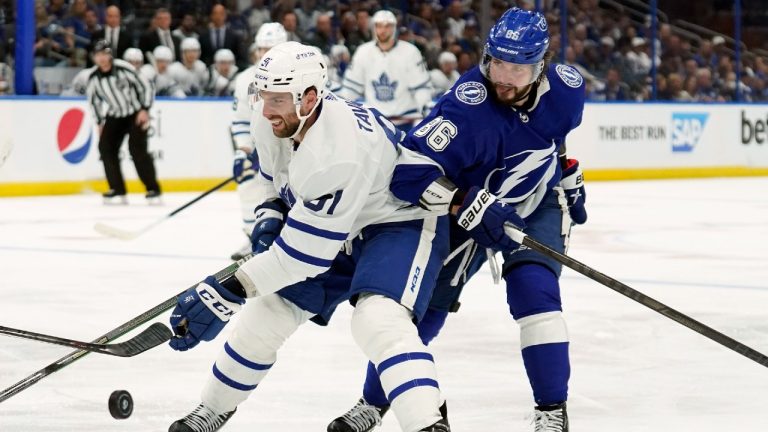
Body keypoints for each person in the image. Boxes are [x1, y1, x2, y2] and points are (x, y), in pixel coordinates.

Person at [167, 42, 451, 432]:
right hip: (337, 222)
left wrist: (225, 290)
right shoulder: (272, 116)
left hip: (396, 221)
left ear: (310, 98)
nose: (267, 109)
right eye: (263, 96)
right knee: (267, 313)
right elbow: (272, 180)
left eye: (278, 99)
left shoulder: (335, 151)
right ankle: (213, 409)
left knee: (378, 319)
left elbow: (303, 258)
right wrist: (268, 220)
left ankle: (426, 424)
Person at [327, 8, 587, 432]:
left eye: (517, 69)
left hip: (537, 203)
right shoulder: (466, 106)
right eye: (496, 63)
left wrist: (567, 170)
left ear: (540, 68)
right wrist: (463, 202)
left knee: (534, 295)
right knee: (422, 312)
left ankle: (551, 410)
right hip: (469, 212)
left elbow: (551, 138)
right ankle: (374, 402)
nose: (503, 77)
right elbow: (409, 172)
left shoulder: (568, 89)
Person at [228, 22, 288, 261]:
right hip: (260, 150)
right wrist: (244, 151)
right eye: (262, 49)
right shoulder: (245, 79)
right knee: (248, 183)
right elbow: (241, 121)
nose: (265, 55)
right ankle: (254, 236)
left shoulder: (298, 75)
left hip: (292, 149)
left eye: (270, 49)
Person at [86, 40, 161, 204]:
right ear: (94, 58)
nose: (102, 58)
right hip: (115, 115)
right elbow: (94, 101)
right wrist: (100, 122)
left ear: (110, 55)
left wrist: (144, 109)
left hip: (135, 113)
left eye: (105, 54)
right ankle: (117, 189)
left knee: (137, 149)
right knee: (105, 148)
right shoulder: (93, 78)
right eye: (99, 55)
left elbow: (146, 86)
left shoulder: (123, 68)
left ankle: (153, 188)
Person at [338, 10, 433, 133]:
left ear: (394, 28)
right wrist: (340, 110)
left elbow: (422, 88)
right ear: (373, 28)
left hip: (406, 120)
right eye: (379, 26)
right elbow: (351, 88)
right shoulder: (362, 52)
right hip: (375, 122)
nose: (383, 30)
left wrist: (425, 113)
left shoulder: (411, 52)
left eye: (387, 26)